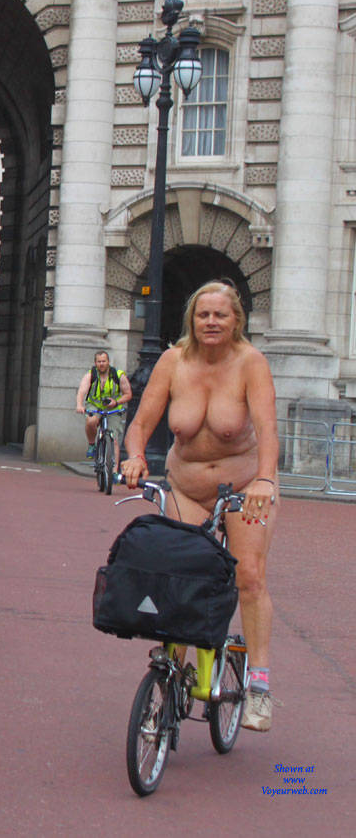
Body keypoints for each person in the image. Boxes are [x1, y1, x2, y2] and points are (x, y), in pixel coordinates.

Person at [121, 281, 279, 732]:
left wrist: (265, 479)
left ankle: (260, 688)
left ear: (236, 321)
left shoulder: (251, 363)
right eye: (203, 315)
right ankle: (174, 674)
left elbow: (267, 430)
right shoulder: (173, 362)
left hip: (244, 485)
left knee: (248, 575)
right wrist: (134, 456)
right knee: (179, 577)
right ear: (191, 319)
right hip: (187, 488)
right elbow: (142, 424)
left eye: (220, 315)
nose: (211, 322)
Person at [76, 351, 132, 472]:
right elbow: (81, 391)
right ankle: (92, 445)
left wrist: (116, 402)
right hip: (95, 405)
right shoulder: (91, 375)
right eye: (99, 361)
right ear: (95, 363)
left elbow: (128, 394)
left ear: (108, 362)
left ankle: (115, 471)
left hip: (113, 408)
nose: (101, 364)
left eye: (104, 361)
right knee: (91, 421)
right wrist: (79, 405)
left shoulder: (119, 375)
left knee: (114, 440)